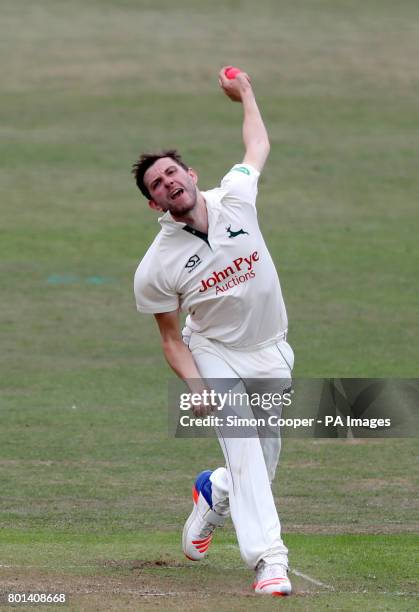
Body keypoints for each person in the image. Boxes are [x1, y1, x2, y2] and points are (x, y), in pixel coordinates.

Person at [132, 67, 294, 596]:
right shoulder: (157, 266)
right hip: (215, 355)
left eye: (172, 173)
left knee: (258, 471)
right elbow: (171, 338)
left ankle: (213, 491)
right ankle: (269, 562)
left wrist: (245, 91)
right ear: (154, 204)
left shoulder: (237, 198)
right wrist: (197, 388)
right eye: (157, 184)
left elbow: (258, 143)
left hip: (270, 351)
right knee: (245, 450)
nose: (168, 183)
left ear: (191, 174)